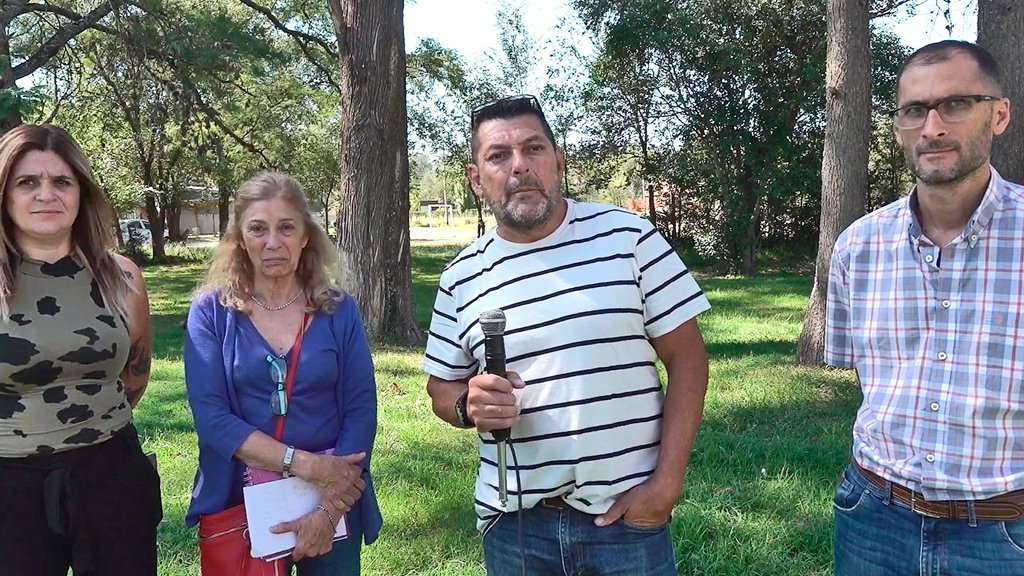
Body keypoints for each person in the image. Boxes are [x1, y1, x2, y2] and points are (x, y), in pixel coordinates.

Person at [422, 95, 711, 575]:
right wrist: (466, 406)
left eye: (533, 149)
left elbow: (689, 360)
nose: (520, 167)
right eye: (498, 156)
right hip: (514, 527)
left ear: (558, 161)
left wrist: (666, 486)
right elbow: (441, 389)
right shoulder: (461, 276)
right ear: (476, 179)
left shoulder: (629, 240)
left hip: (623, 520)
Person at [826, 40, 1024, 575]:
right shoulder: (856, 247)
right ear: (898, 128)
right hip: (872, 518)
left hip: (1004, 533)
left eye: (955, 104)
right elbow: (862, 381)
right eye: (915, 110)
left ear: (999, 114)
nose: (932, 127)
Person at [184, 171, 381, 574]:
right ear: (240, 237)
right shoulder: (211, 313)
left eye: (286, 227)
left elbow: (361, 411)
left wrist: (328, 510)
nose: (273, 242)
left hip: (333, 498)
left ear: (305, 235)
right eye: (258, 229)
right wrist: (307, 466)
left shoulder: (340, 311)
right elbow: (213, 420)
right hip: (241, 501)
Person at [0, 124, 158, 574]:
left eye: (62, 182)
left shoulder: (122, 276)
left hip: (109, 472)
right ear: (5, 194)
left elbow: (135, 371)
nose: (46, 195)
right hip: (9, 484)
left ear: (81, 193)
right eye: (27, 182)